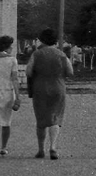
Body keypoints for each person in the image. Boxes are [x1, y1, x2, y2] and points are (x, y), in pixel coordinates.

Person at [26, 28, 73, 160]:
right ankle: (53, 147)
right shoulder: (61, 54)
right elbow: (70, 72)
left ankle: (41, 149)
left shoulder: (36, 54)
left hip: (40, 88)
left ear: (41, 39)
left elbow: (28, 72)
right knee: (55, 118)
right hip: (58, 87)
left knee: (41, 119)